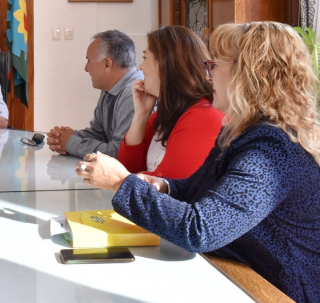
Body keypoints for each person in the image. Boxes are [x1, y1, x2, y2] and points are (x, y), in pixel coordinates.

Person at [77, 22, 320, 302]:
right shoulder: (243, 133)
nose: (208, 73)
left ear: (248, 74)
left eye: (214, 64)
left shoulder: (270, 152)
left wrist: (122, 182)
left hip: (275, 291)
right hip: (240, 273)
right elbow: (198, 189)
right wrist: (164, 186)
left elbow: (201, 229)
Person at [116, 26, 223, 178]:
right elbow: (128, 167)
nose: (140, 66)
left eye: (145, 58)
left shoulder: (203, 116)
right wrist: (141, 114)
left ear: (165, 65)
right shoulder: (164, 115)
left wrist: (117, 177)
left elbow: (169, 183)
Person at [47, 30, 142, 159]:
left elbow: (119, 153)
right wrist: (64, 138)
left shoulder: (132, 94)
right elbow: (99, 134)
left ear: (107, 64)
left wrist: (71, 143)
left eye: (89, 61)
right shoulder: (110, 88)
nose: (86, 68)